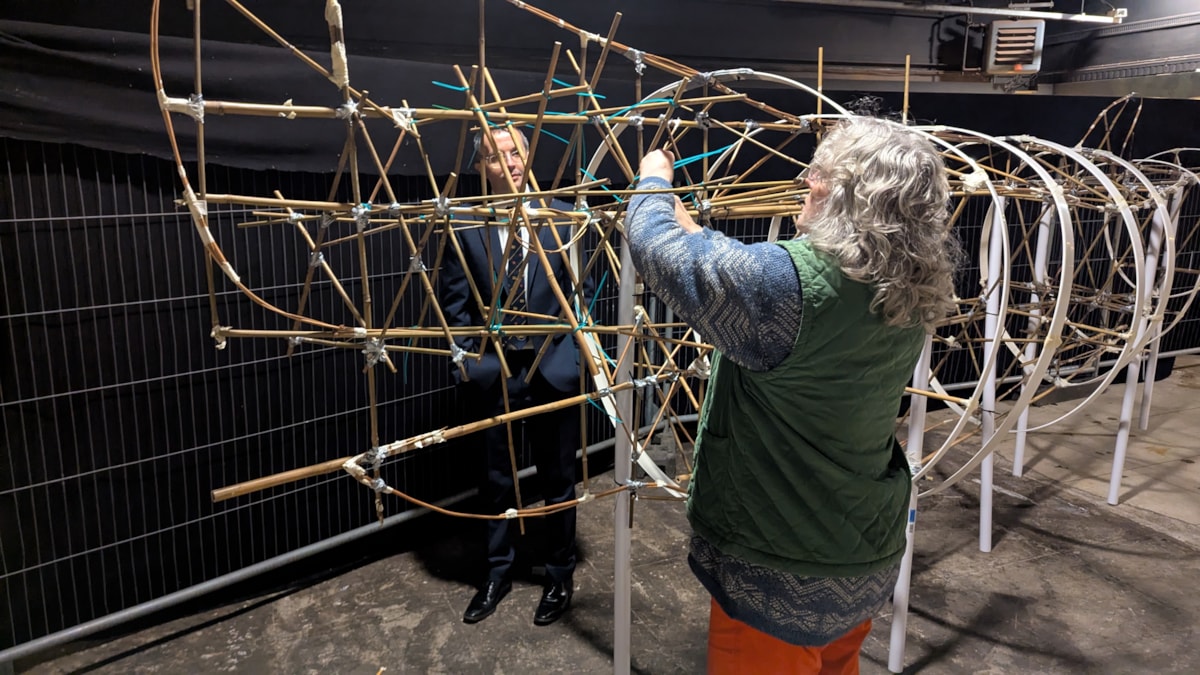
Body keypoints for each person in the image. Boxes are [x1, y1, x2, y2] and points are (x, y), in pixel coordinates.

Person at [625, 117, 960, 674]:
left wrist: (654, 181)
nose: (808, 180)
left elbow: (659, 250)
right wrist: (688, 223)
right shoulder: (907, 287)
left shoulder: (786, 288)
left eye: (823, 174)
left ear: (852, 196)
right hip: (860, 547)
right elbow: (714, 259)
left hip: (780, 562)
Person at [441, 126, 590, 626]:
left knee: (558, 480)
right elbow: (454, 308)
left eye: (515, 151)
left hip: (553, 367)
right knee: (495, 481)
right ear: (481, 169)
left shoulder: (563, 219)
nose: (507, 161)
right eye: (493, 156)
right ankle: (497, 572)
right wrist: (471, 363)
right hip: (495, 373)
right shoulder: (464, 225)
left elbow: (582, 293)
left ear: (528, 159)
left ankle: (558, 573)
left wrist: (574, 351)